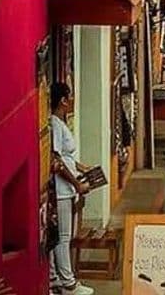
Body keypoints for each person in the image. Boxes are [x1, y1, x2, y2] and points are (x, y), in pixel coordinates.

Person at [49, 82, 93, 295]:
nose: (72, 101)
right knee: (63, 236)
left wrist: (83, 167)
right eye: (69, 97)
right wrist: (77, 184)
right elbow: (56, 160)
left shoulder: (60, 123)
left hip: (67, 188)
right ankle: (68, 282)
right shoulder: (55, 124)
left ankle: (55, 277)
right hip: (62, 190)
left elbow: (66, 157)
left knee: (61, 235)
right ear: (63, 100)